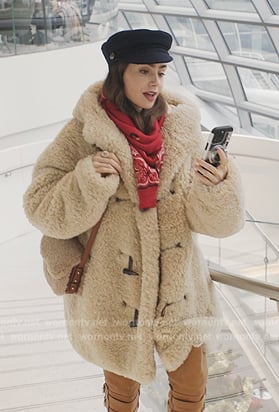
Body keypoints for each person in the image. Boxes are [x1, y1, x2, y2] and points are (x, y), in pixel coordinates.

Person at [23, 29, 245, 412]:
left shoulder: (181, 129)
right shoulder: (82, 132)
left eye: (160, 71)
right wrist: (87, 179)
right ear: (119, 72)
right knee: (122, 396)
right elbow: (40, 205)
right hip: (114, 292)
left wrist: (218, 186)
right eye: (144, 71)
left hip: (180, 288)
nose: (155, 81)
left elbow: (217, 224)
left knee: (192, 389)